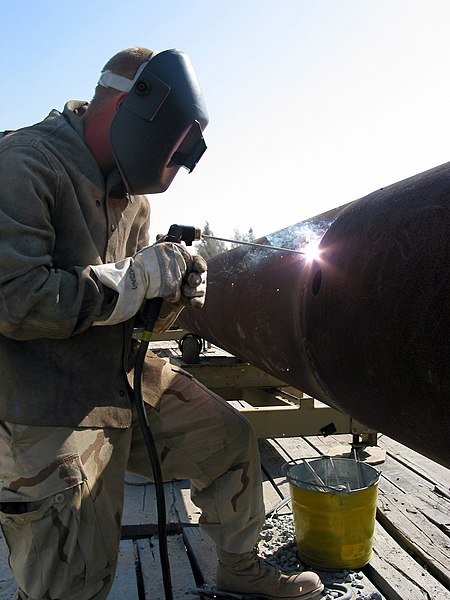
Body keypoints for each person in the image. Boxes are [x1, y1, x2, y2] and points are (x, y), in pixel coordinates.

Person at [0, 47, 324, 600]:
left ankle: (238, 568)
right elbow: (13, 300)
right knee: (76, 570)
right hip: (40, 399)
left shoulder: (133, 199)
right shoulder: (23, 163)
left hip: (120, 374)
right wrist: (128, 280)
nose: (170, 167)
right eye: (171, 151)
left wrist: (173, 290)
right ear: (131, 107)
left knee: (228, 440)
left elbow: (139, 311)